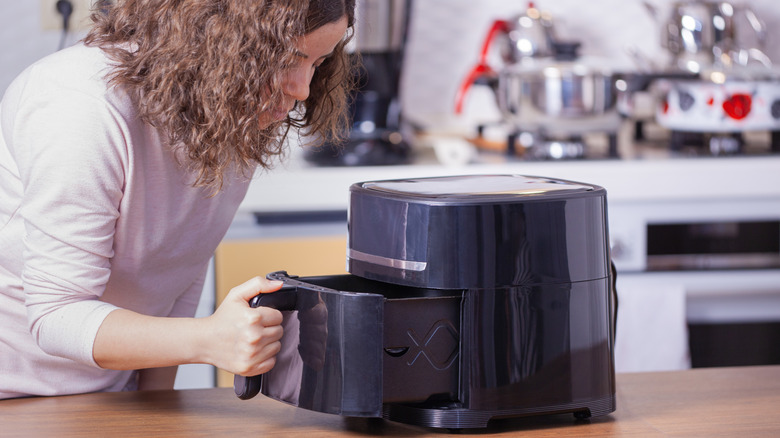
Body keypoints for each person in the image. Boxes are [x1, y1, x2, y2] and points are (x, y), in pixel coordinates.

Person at [0, 0, 355, 399]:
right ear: (216, 32)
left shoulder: (226, 112)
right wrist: (208, 340)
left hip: (112, 396)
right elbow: (55, 316)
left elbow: (176, 276)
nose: (302, 89)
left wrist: (155, 405)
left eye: (318, 62)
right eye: (287, 58)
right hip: (14, 397)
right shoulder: (79, 103)